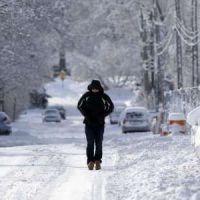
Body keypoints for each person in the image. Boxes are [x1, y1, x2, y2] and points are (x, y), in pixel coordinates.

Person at [77, 80, 114, 170]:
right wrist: (86, 115)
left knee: (98, 142)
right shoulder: (86, 95)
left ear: (99, 88)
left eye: (96, 89)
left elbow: (111, 107)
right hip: (89, 123)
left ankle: (97, 161)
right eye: (93, 89)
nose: (95, 90)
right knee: (90, 142)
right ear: (91, 88)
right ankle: (90, 161)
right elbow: (79, 106)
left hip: (100, 124)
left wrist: (103, 115)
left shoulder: (103, 96)